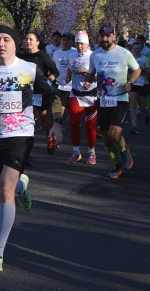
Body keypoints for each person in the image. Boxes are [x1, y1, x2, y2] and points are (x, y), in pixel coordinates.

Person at [0, 26, 61, 272]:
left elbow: (53, 94)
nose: (1, 43)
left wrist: (56, 123)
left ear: (16, 44)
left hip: (20, 136)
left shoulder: (29, 69)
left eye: (7, 39)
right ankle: (22, 185)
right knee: (4, 189)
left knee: (5, 193)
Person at [88, 25, 140, 179]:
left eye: (107, 36)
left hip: (120, 97)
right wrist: (87, 81)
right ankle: (116, 164)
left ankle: (124, 150)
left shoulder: (124, 53)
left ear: (114, 36)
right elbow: (91, 73)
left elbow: (137, 70)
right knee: (104, 134)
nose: (104, 39)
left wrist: (130, 83)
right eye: (102, 36)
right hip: (104, 99)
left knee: (114, 133)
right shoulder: (95, 55)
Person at [18, 31, 59, 156]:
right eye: (26, 39)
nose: (28, 42)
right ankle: (26, 152)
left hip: (41, 93)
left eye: (31, 39)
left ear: (37, 42)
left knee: (43, 121)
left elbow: (55, 72)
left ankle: (50, 137)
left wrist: (47, 81)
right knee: (25, 121)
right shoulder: (21, 57)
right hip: (26, 92)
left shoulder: (42, 56)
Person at [65, 30, 99, 166]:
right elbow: (69, 68)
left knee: (90, 126)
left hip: (91, 95)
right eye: (77, 43)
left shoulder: (94, 56)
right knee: (73, 123)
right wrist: (68, 77)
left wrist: (87, 74)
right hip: (76, 94)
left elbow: (100, 75)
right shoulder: (71, 55)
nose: (79, 46)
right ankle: (76, 151)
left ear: (87, 44)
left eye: (82, 44)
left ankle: (91, 152)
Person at [129, 41, 150, 134]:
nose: (136, 50)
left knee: (141, 107)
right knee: (132, 106)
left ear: (141, 50)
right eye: (135, 48)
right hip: (133, 83)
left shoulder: (145, 59)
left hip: (143, 84)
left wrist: (141, 70)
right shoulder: (129, 59)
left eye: (138, 48)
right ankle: (134, 126)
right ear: (132, 49)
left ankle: (146, 113)